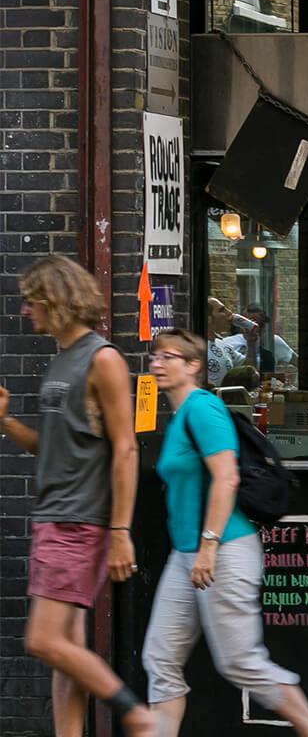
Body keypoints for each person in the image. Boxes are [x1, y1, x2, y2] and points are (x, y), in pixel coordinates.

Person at [140, 329, 308, 737]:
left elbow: (226, 478)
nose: (156, 363)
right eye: (153, 356)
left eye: (167, 357)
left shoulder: (203, 409)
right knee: (160, 657)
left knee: (240, 661)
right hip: (187, 553)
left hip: (222, 549)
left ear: (193, 366)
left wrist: (208, 548)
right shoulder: (179, 417)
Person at [0, 258, 156, 737]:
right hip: (55, 516)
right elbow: (52, 446)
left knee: (43, 640)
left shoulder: (101, 359)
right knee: (66, 651)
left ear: (57, 299)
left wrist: (120, 531)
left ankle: (135, 713)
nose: (26, 311)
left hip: (77, 521)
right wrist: (5, 422)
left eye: (33, 300)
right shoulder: (61, 360)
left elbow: (126, 447)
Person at [219, 305, 296, 375]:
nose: (252, 327)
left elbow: (296, 361)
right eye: (248, 322)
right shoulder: (229, 342)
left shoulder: (273, 341)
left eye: (257, 323)